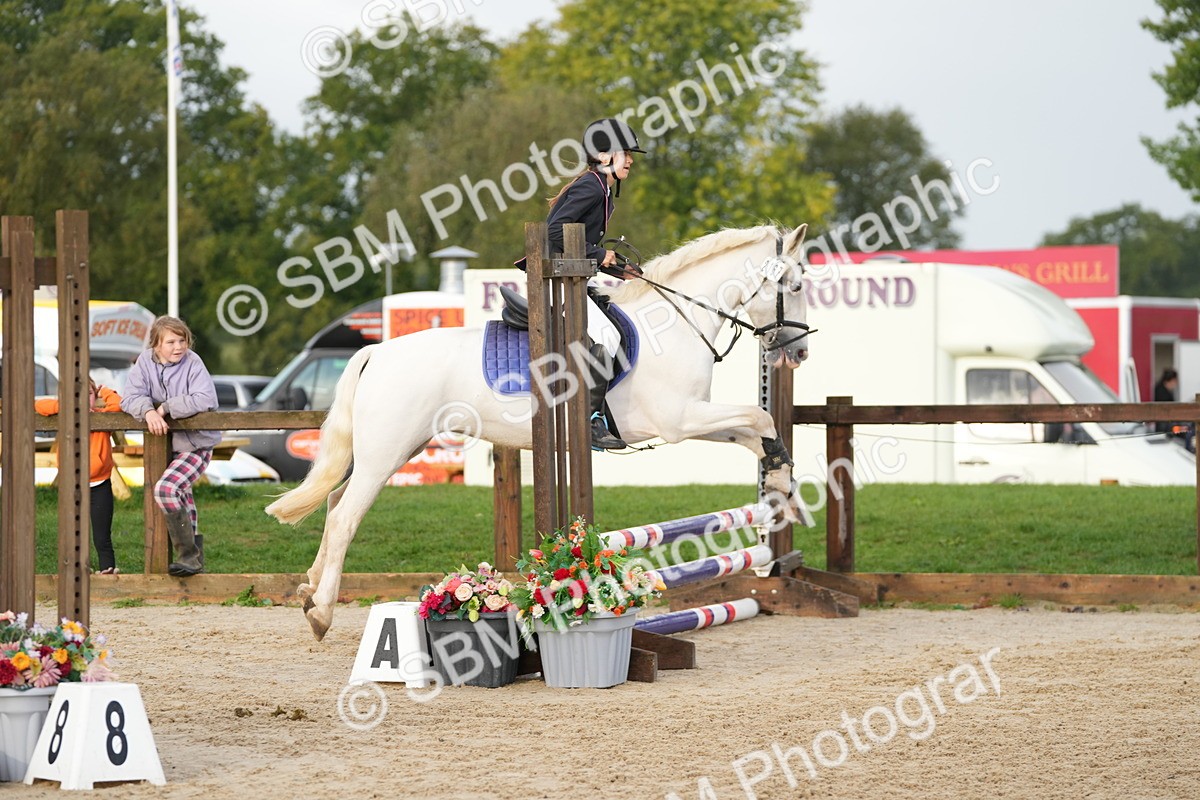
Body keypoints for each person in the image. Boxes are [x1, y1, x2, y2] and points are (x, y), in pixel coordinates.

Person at [531, 117, 647, 450]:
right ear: (602, 154)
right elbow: (554, 232)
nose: (631, 160)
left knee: (617, 328)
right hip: (557, 284)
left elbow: (580, 245)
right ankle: (589, 421)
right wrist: (599, 252)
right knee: (608, 337)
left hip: (572, 279)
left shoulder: (601, 188)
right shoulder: (592, 186)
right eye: (624, 152)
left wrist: (620, 270)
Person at [121, 316, 219, 577]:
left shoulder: (193, 362)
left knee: (166, 489)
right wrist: (149, 413)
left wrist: (165, 407)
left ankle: (188, 556)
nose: (179, 347)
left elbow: (205, 398)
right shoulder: (144, 362)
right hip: (170, 445)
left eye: (183, 340)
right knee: (182, 495)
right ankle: (193, 562)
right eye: (171, 342)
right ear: (156, 344)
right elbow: (129, 397)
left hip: (197, 443)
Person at [35, 378, 123, 573]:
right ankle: (77, 569)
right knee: (74, 533)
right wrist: (66, 406)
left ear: (95, 397)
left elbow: (118, 405)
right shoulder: (64, 417)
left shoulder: (102, 418)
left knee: (102, 535)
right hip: (72, 487)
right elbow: (40, 406)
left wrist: (105, 391)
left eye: (88, 395)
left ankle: (108, 570)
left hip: (100, 485)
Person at [1154, 368, 1179, 434]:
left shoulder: (1160, 389)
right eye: (1174, 381)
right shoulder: (1162, 393)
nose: (1175, 383)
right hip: (1164, 424)